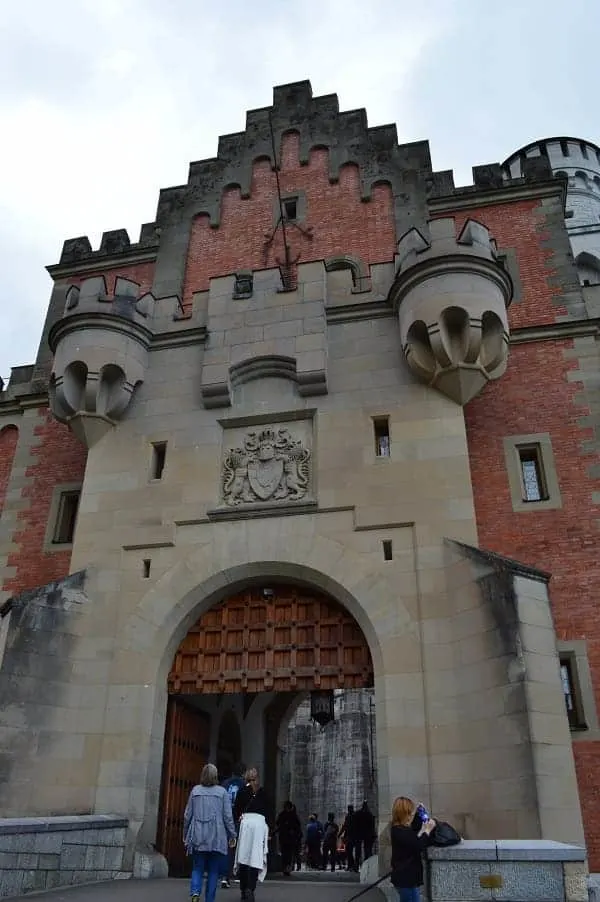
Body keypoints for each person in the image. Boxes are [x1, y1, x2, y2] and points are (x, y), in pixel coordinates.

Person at [183, 763, 237, 902]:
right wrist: (232, 834)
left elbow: (188, 815)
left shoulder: (195, 791)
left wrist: (185, 834)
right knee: (213, 871)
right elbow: (227, 816)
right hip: (216, 836)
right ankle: (209, 899)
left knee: (197, 867)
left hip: (198, 835)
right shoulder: (222, 792)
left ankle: (195, 892)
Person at [233, 768, 270, 902]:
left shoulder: (242, 791)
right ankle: (251, 888)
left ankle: (243, 888)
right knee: (255, 858)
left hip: (246, 824)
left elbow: (236, 810)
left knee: (244, 858)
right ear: (257, 778)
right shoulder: (263, 792)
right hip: (259, 825)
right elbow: (268, 811)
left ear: (246, 778)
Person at [390, 797, 436, 902]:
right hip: (406, 879)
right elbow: (418, 845)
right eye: (409, 813)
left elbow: (414, 833)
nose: (411, 815)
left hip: (406, 878)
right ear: (403, 814)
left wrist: (418, 815)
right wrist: (427, 830)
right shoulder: (399, 831)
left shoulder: (398, 829)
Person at [220, 762, 247, 888]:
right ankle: (238, 874)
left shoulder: (225, 784)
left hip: (225, 819)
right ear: (243, 773)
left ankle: (225, 876)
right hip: (239, 819)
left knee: (227, 847)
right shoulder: (244, 785)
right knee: (240, 847)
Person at [275, 800, 302, 876]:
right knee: (289, 854)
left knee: (284, 853)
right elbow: (298, 827)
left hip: (283, 837)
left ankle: (285, 868)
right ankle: (288, 868)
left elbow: (278, 824)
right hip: (290, 838)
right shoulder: (294, 815)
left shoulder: (282, 814)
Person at [339, 805, 357, 871]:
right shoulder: (355, 816)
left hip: (349, 837)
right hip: (354, 837)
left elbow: (344, 826)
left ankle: (351, 866)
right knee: (350, 851)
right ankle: (353, 865)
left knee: (349, 851)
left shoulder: (349, 816)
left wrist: (339, 834)